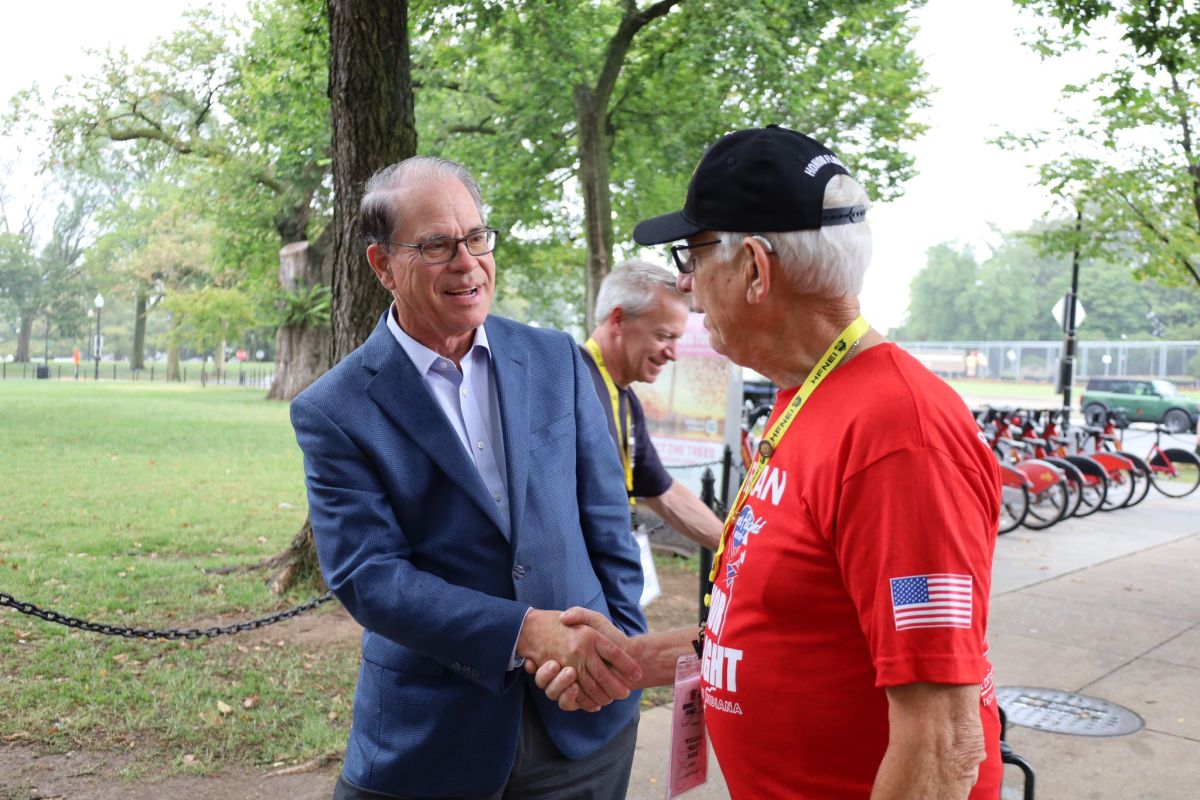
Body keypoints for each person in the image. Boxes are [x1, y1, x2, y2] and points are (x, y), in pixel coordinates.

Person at [534, 125, 1004, 799]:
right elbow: (781, 633)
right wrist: (626, 661)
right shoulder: (804, 398)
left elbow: (944, 737)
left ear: (754, 267)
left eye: (694, 257)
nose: (689, 287)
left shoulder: (899, 435)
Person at [290, 155, 647, 800]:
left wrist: (622, 653)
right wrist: (522, 632)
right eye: (435, 245)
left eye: (477, 237)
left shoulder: (555, 358)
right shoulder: (334, 408)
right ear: (382, 265)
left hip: (587, 728)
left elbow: (607, 526)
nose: (467, 262)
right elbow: (369, 576)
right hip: (435, 739)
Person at [583, 260, 722, 551]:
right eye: (663, 336)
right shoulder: (567, 382)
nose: (673, 354)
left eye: (677, 339)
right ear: (618, 319)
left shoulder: (628, 399)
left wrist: (738, 550)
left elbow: (663, 492)